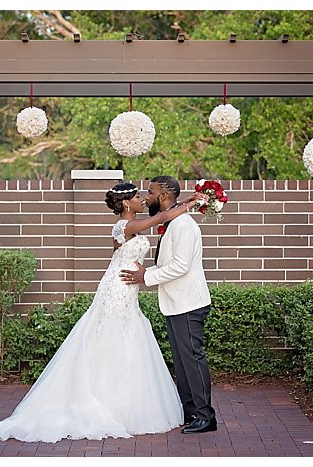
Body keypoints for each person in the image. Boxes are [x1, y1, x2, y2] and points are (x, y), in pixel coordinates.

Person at [0, 182, 208, 443]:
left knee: (126, 340)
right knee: (111, 338)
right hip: (117, 287)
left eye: (146, 195)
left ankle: (124, 403)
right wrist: (190, 204)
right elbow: (162, 216)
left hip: (128, 288)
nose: (143, 199)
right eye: (138, 196)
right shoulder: (124, 227)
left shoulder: (135, 224)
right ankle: (106, 402)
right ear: (126, 203)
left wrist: (184, 202)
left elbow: (164, 215)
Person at [120, 175, 217, 434]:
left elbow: (181, 267)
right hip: (176, 303)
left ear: (163, 196)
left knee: (192, 360)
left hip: (188, 303)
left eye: (150, 192)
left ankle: (206, 416)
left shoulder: (184, 226)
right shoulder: (173, 220)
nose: (147, 196)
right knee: (183, 362)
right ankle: (191, 412)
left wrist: (146, 276)